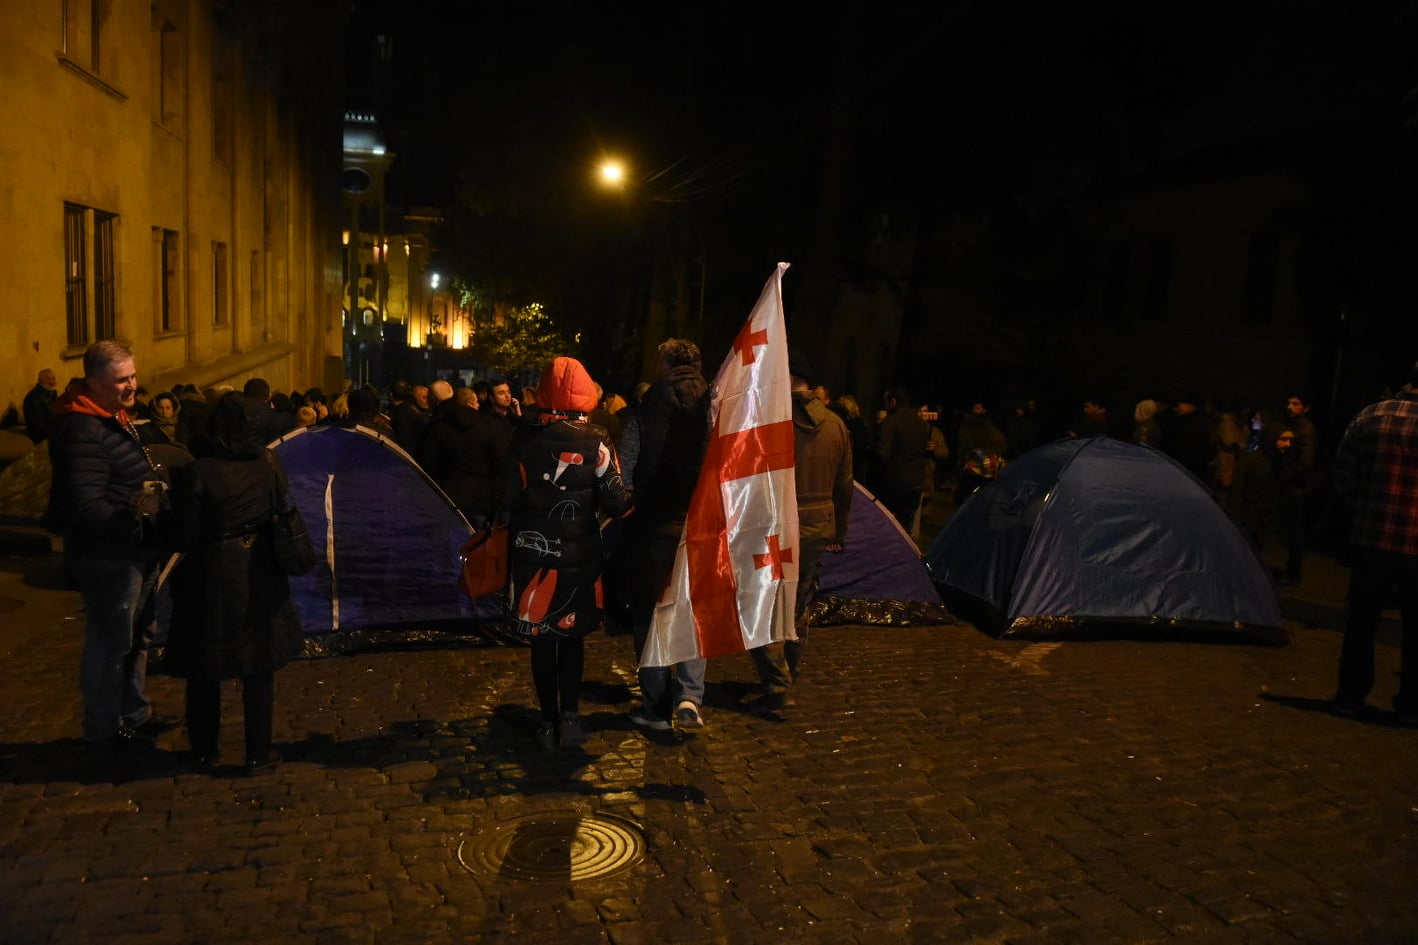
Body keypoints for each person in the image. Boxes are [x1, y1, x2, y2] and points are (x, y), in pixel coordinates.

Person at [493, 357, 632, 751]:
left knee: (541, 640)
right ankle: (570, 717)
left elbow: (506, 499)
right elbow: (616, 500)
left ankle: (547, 721)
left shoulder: (523, 438)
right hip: (579, 556)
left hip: (532, 554)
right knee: (571, 637)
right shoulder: (597, 438)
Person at [45, 341, 177, 751]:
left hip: (135, 549)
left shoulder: (111, 416)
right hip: (110, 557)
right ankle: (104, 729)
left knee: (138, 636)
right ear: (94, 382)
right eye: (122, 380)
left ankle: (134, 713)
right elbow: (87, 504)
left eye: (133, 376)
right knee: (111, 643)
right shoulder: (83, 429)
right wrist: (139, 517)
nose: (132, 386)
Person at [165, 392, 306, 771]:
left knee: (204, 666)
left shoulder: (200, 471)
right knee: (258, 666)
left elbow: (183, 533)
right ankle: (257, 752)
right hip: (259, 570)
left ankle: (204, 750)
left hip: (210, 573)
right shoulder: (268, 463)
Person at [748, 352, 852, 713]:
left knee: (762, 604)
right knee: (798, 604)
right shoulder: (836, 425)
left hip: (777, 525)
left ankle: (777, 684)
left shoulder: (773, 421)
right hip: (817, 526)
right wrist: (838, 530)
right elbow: (845, 485)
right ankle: (788, 673)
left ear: (790, 378)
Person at [617, 338, 711, 731]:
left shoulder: (647, 408)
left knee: (650, 613)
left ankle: (655, 706)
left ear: (666, 365)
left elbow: (625, 468)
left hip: (653, 526)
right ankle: (690, 695)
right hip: (701, 525)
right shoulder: (715, 407)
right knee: (693, 609)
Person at [1330, 363, 1418, 724]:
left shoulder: (1371, 416)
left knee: (1362, 624)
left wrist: (1363, 508)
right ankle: (1411, 705)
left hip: (1371, 539)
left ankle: (1350, 696)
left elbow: (1343, 474)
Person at [874, 387, 931, 532]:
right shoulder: (921, 423)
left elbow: (883, 452)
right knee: (905, 527)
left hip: (894, 482)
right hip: (916, 482)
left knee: (883, 524)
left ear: (893, 402)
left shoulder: (891, 421)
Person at [22, 368, 59, 443]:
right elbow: (39, 424)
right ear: (41, 380)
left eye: (53, 379)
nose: (51, 382)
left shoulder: (48, 394)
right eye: (47, 379)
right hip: (40, 435)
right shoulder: (35, 397)